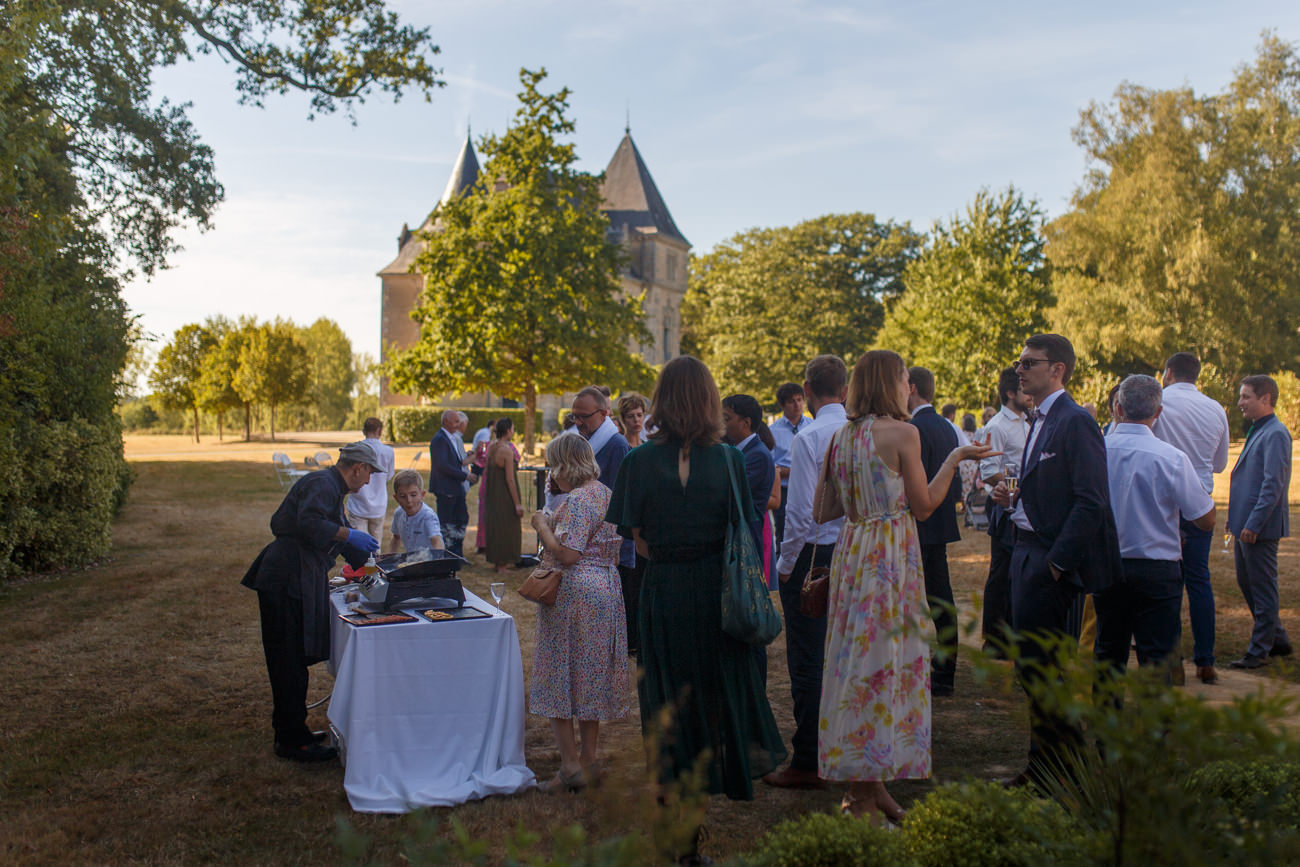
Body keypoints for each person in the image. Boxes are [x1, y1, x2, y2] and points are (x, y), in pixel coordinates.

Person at [815, 350, 994, 822]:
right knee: (884, 664)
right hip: (888, 557)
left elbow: (822, 511)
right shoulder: (903, 433)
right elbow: (925, 504)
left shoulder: (841, 437)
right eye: (902, 378)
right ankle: (865, 790)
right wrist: (955, 457)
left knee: (856, 663)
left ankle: (869, 786)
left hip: (852, 554)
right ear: (892, 383)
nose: (906, 387)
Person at [606, 356, 786, 822]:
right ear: (709, 400)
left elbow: (637, 538)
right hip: (714, 592)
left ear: (661, 401)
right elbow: (739, 527)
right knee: (713, 692)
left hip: (664, 589)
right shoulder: (728, 458)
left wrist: (671, 557)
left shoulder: (639, 459)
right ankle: (699, 801)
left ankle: (674, 811)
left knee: (668, 697)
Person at [990, 333, 1121, 787]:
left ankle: (1056, 770)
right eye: (1020, 363)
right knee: (1032, 666)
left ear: (1057, 369)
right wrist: (1016, 498)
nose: (1020, 370)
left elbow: (1091, 502)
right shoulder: (1040, 417)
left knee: (1040, 667)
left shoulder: (1075, 420)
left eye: (1028, 363)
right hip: (1024, 548)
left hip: (1047, 560)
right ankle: (1053, 765)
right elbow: (1057, 490)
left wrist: (1057, 564)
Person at [240, 441, 383, 762]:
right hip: (286, 577)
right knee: (287, 660)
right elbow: (308, 523)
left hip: (298, 575)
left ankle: (294, 730)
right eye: (370, 472)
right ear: (358, 467)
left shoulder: (332, 489)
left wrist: (379, 563)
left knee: (294, 660)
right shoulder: (323, 484)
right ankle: (291, 741)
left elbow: (340, 534)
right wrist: (349, 537)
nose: (370, 479)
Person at [763, 356, 848, 790]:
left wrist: (784, 567)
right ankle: (844, 748)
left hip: (814, 555)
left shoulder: (810, 436)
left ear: (808, 390)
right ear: (845, 391)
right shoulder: (860, 432)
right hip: (854, 553)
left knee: (809, 660)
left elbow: (798, 517)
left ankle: (809, 758)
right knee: (846, 655)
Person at [528, 435, 629, 793]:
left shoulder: (578, 499)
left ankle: (570, 766)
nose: (552, 473)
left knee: (560, 674)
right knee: (588, 675)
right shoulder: (604, 492)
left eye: (553, 464)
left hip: (575, 592)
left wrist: (542, 525)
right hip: (605, 588)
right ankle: (589, 759)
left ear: (565, 464)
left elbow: (569, 554)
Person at [1097, 376, 1215, 679]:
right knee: (1157, 656)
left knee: (1109, 652)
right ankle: (1155, 727)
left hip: (1108, 564)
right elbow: (1205, 517)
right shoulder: (1171, 457)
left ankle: (1104, 723)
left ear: (1118, 408)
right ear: (1158, 413)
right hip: (1157, 568)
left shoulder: (1097, 452)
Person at [1152, 352, 1231, 684]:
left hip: (1162, 503)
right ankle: (1206, 659)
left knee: (1166, 581)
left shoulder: (1158, 403)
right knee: (1199, 581)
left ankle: (1172, 659)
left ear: (1168, 373)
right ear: (1197, 375)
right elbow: (1219, 464)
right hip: (1199, 504)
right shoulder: (1215, 409)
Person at [1226, 375, 1293, 669]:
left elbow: (1272, 484)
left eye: (1245, 397)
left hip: (1260, 527)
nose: (1240, 402)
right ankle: (1277, 639)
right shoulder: (1259, 429)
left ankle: (1259, 651)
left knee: (1262, 588)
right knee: (1248, 583)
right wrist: (1235, 519)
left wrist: (1253, 523)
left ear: (1265, 399)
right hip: (1246, 524)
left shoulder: (1276, 433)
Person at [907, 367, 962, 697]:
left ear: (911, 388)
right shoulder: (946, 426)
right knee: (941, 599)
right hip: (939, 521)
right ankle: (944, 671)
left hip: (918, 522)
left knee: (918, 601)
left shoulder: (913, 428)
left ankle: (935, 672)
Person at [572, 386, 636, 648]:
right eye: (573, 416)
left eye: (583, 416)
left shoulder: (616, 446)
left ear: (603, 413)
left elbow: (613, 501)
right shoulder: (593, 443)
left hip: (611, 546)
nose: (577, 422)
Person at [979, 367, 1031, 654]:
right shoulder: (997, 426)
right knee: (1001, 572)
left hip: (1023, 502)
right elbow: (988, 471)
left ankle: (1013, 633)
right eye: (1023, 390)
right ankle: (994, 640)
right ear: (1011, 393)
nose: (1029, 395)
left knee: (1017, 571)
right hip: (1003, 505)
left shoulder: (1027, 422)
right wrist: (1016, 486)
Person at [770, 382, 810, 559]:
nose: (797, 405)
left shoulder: (811, 425)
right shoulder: (773, 431)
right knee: (784, 530)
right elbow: (772, 466)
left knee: (808, 528)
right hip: (785, 488)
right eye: (792, 401)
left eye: (800, 400)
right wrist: (793, 471)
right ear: (782, 405)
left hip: (808, 486)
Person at [344, 417, 395, 541]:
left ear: (364, 431)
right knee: (375, 545)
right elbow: (389, 475)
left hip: (358, 503)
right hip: (379, 503)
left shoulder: (356, 449)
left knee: (358, 544)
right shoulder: (388, 451)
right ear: (380, 430)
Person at [484, 417, 523, 572]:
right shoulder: (506, 451)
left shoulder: (492, 446)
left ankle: (496, 560)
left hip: (492, 492)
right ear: (508, 431)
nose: (513, 431)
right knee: (507, 527)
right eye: (512, 428)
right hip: (504, 494)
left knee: (495, 525)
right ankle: (503, 563)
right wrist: (517, 503)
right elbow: (510, 479)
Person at [429, 410, 470, 557]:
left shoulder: (449, 438)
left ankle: (457, 553)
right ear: (446, 422)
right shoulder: (440, 439)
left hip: (455, 488)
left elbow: (454, 461)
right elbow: (443, 465)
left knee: (461, 519)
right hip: (446, 488)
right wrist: (465, 476)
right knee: (447, 524)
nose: (458, 425)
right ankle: (448, 554)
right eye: (455, 422)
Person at [388, 469, 444, 553]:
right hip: (412, 560)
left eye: (413, 495)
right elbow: (396, 538)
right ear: (396, 498)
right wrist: (388, 559)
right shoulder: (399, 513)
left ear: (422, 495)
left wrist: (439, 559)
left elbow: (437, 540)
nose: (409, 500)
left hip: (429, 562)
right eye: (403, 496)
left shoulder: (428, 516)